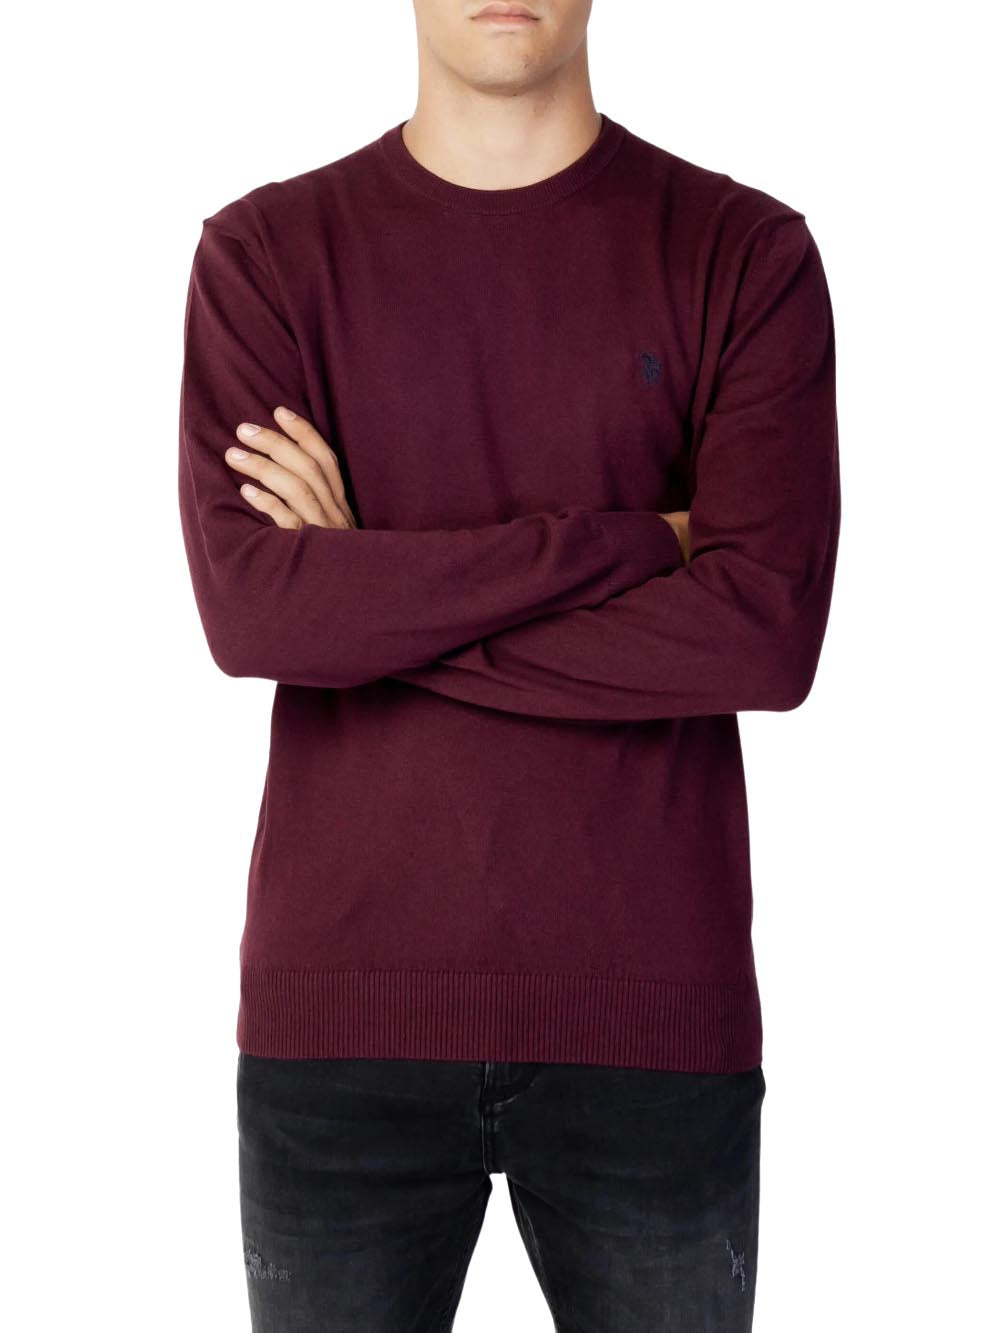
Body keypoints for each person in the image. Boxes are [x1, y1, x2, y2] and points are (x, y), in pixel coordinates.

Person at [177, 2, 840, 1328]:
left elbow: (764, 637)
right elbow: (257, 619)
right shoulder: (265, 256)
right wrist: (644, 542)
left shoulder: (745, 253)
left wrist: (371, 593)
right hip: (341, 1024)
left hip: (652, 1017)